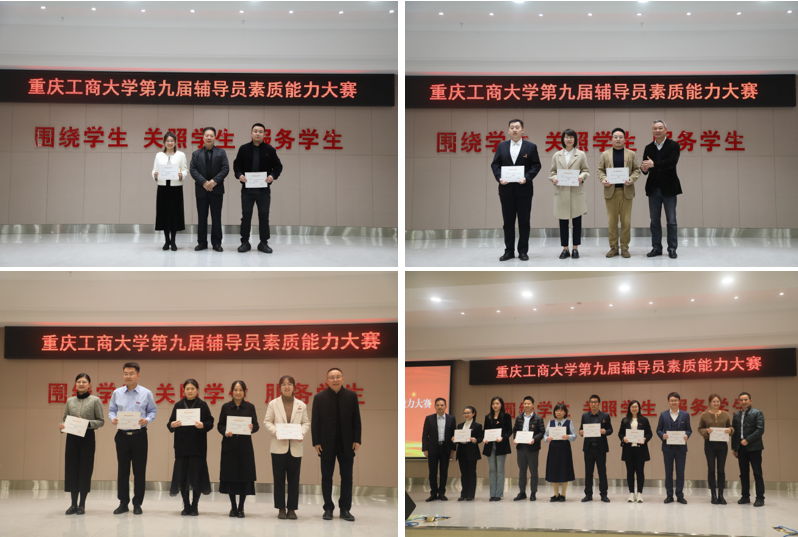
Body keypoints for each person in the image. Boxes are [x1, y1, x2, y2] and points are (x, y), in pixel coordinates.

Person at [311, 368, 362, 522]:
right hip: (326, 444)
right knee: (326, 477)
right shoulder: (319, 397)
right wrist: (316, 442)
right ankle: (328, 508)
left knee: (347, 477)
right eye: (332, 377)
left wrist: (357, 439)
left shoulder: (351, 396)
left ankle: (345, 509)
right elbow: (315, 422)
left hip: (347, 444)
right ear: (326, 380)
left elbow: (356, 420)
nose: (335, 380)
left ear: (343, 378)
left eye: (337, 377)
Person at [108, 362, 157, 515]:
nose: (128, 376)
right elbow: (111, 410)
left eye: (131, 373)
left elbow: (153, 411)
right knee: (122, 471)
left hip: (139, 436)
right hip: (122, 436)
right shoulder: (117, 393)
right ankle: (123, 503)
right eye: (125, 373)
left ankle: (137, 503)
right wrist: (113, 418)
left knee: (139, 471)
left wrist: (147, 420)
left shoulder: (146, 393)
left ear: (138, 375)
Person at [490, 118, 542, 262]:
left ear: (522, 130)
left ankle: (523, 251)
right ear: (508, 130)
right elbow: (495, 165)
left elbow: (536, 165)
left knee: (524, 222)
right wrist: (499, 177)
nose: (514, 130)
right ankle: (509, 251)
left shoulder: (530, 147)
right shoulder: (501, 146)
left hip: (524, 190)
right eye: (512, 127)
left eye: (517, 127)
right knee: (508, 222)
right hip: (506, 190)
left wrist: (527, 177)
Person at [264, 375, 310, 520]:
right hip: (278, 446)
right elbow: (267, 421)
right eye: (283, 384)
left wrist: (301, 433)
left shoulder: (301, 405)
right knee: (278, 479)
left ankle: (291, 509)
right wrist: (276, 432)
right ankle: (281, 508)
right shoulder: (273, 404)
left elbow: (306, 423)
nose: (287, 386)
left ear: (294, 387)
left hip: (295, 447)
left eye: (290, 384)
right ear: (280, 387)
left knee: (294, 480)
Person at [233, 123, 283, 254]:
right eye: (255, 131)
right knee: (246, 216)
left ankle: (263, 243)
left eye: (260, 131)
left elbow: (278, 167)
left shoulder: (270, 150)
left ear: (264, 134)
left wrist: (273, 176)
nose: (257, 133)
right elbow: (236, 165)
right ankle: (245, 242)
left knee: (264, 216)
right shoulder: (243, 149)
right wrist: (239, 175)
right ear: (251, 133)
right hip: (247, 190)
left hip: (263, 191)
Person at [166, 379, 214, 516]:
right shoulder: (178, 405)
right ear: (184, 390)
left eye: (192, 388)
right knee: (182, 476)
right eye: (187, 388)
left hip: (198, 447)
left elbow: (210, 422)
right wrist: (172, 425)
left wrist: (203, 425)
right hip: (181, 447)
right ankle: (186, 505)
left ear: (197, 390)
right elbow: (170, 423)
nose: (190, 391)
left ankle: (195, 506)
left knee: (196, 477)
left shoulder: (203, 405)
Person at [59, 373, 104, 515]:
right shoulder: (70, 401)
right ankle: (73, 504)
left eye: (84, 382)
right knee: (72, 469)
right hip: (72, 438)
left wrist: (86, 423)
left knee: (85, 469)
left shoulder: (95, 400)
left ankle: (82, 505)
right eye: (78, 381)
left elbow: (101, 421)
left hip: (87, 438)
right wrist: (63, 426)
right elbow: (65, 418)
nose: (81, 384)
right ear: (75, 384)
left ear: (89, 385)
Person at [597, 128, 641, 258]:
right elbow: (600, 170)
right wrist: (603, 179)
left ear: (625, 139)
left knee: (626, 221)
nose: (618, 139)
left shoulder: (631, 154)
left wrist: (631, 179)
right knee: (612, 221)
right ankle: (613, 247)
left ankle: (625, 247)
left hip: (626, 191)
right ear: (611, 139)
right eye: (615, 137)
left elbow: (637, 170)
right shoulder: (605, 154)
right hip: (611, 191)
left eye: (620, 137)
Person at [641, 119, 682, 259]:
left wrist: (654, 164)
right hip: (653, 188)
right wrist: (644, 169)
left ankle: (672, 248)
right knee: (654, 221)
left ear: (665, 130)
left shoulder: (674, 145)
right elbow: (646, 167)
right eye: (655, 128)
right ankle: (656, 248)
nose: (657, 131)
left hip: (669, 188)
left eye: (660, 128)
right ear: (652, 131)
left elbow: (672, 163)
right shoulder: (648, 147)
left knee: (671, 220)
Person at [218, 380, 259, 518]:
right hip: (229, 447)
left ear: (245, 392)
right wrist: (225, 431)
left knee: (244, 477)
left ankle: (241, 507)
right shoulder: (226, 407)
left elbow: (256, 425)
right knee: (230, 477)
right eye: (235, 390)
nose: (238, 392)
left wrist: (252, 428)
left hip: (244, 448)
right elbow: (220, 425)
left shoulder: (250, 407)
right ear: (231, 392)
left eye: (241, 390)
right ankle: (233, 507)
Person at [548, 128, 590, 259]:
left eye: (571, 137)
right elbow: (552, 172)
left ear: (575, 139)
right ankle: (565, 248)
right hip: (562, 192)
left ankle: (575, 248)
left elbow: (586, 170)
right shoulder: (557, 155)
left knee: (577, 222)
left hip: (576, 192)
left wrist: (581, 177)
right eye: (566, 137)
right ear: (563, 139)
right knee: (563, 222)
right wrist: (554, 178)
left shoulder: (581, 154)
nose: (569, 139)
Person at [189, 126, 229, 252]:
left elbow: (225, 168)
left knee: (216, 217)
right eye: (207, 135)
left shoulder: (221, 152)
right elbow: (193, 170)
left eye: (211, 135)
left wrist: (214, 181)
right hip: (201, 190)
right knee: (202, 217)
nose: (209, 138)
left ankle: (216, 243)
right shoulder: (196, 154)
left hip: (217, 190)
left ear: (215, 137)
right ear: (203, 137)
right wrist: (204, 182)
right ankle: (202, 243)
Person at [151, 131, 188, 251]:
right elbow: (154, 170)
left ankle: (173, 241)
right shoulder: (159, 155)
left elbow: (185, 170)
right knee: (164, 214)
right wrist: (155, 174)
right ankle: (166, 241)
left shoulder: (181, 155)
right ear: (164, 142)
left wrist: (181, 175)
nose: (170, 143)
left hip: (176, 187)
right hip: (163, 187)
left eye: (172, 141)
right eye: (167, 141)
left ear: (175, 142)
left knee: (174, 214)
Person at [656, 391, 692, 504]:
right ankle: (669, 495)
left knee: (680, 472)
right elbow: (658, 429)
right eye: (672, 400)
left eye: (676, 400)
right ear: (668, 402)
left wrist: (687, 435)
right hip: (668, 448)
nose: (674, 402)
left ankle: (680, 495)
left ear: (679, 401)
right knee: (668, 472)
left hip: (681, 448)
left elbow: (689, 429)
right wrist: (662, 435)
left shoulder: (685, 415)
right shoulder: (663, 415)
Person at [697, 393, 733, 505]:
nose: (716, 403)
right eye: (714, 401)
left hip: (722, 445)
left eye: (718, 401)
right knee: (711, 469)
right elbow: (700, 429)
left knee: (721, 470)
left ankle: (721, 495)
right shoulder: (704, 415)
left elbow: (731, 427)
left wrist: (730, 430)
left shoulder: (725, 414)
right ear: (709, 403)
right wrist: (706, 431)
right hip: (709, 445)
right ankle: (713, 495)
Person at [731, 392, 765, 507]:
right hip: (741, 448)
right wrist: (734, 448)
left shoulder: (757, 413)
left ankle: (760, 497)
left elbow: (760, 430)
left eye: (746, 399)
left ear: (750, 400)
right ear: (738, 401)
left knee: (757, 473)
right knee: (743, 473)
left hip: (754, 447)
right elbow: (734, 433)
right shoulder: (736, 415)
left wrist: (748, 440)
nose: (743, 402)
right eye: (741, 400)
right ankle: (745, 496)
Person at [578, 395, 613, 503]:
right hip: (588, 448)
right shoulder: (584, 416)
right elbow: (581, 429)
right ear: (589, 403)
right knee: (588, 472)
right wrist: (581, 432)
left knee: (602, 472)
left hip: (600, 448)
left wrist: (605, 431)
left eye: (595, 402)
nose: (593, 404)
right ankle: (588, 494)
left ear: (599, 403)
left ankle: (604, 494)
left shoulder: (605, 416)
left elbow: (610, 429)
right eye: (591, 402)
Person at [421, 397, 456, 502]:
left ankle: (442, 493)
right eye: (438, 405)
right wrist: (425, 449)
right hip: (432, 449)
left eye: (442, 405)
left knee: (444, 472)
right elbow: (425, 435)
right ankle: (433, 493)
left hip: (445, 448)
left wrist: (453, 448)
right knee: (432, 472)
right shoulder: (429, 418)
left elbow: (454, 434)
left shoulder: (451, 419)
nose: (440, 407)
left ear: (445, 406)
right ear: (435, 406)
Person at [618, 400, 653, 503]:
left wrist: (645, 439)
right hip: (628, 450)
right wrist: (623, 438)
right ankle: (631, 493)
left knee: (640, 472)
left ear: (639, 408)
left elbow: (649, 433)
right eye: (632, 407)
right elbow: (620, 433)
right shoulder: (625, 420)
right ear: (629, 408)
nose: (634, 408)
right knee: (630, 472)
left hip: (640, 450)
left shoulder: (644, 420)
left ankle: (640, 493)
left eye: (636, 407)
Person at [512, 395, 545, 501]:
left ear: (533, 405)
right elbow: (515, 430)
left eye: (528, 403)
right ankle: (522, 493)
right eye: (525, 403)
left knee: (533, 471)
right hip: (521, 447)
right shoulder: (519, 418)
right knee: (522, 471)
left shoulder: (538, 418)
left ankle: (533, 493)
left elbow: (542, 432)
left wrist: (534, 439)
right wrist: (515, 438)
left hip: (533, 448)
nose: (526, 405)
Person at [482, 396, 513, 501]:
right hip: (490, 446)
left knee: (500, 470)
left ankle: (498, 494)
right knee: (492, 470)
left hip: (501, 445)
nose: (495, 405)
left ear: (501, 405)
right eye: (493, 403)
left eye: (497, 403)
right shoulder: (488, 417)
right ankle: (492, 493)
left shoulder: (506, 416)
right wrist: (485, 438)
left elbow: (509, 431)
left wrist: (502, 438)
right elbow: (485, 430)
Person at [544, 403, 577, 502]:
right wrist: (547, 439)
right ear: (554, 412)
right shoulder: (550, 422)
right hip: (553, 449)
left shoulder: (569, 422)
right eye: (557, 410)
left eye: (561, 410)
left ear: (565, 412)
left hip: (564, 450)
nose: (559, 412)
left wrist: (568, 437)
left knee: (564, 470)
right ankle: (556, 494)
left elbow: (574, 436)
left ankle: (563, 494)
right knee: (554, 471)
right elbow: (545, 435)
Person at [452, 406, 483, 501]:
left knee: (471, 473)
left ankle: (470, 494)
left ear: (473, 414)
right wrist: (454, 439)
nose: (466, 415)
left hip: (472, 451)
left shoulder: (477, 425)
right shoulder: (460, 425)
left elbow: (480, 438)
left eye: (468, 413)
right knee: (463, 473)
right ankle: (463, 494)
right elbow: (458, 438)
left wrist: (476, 440)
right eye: (464, 413)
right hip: (461, 451)